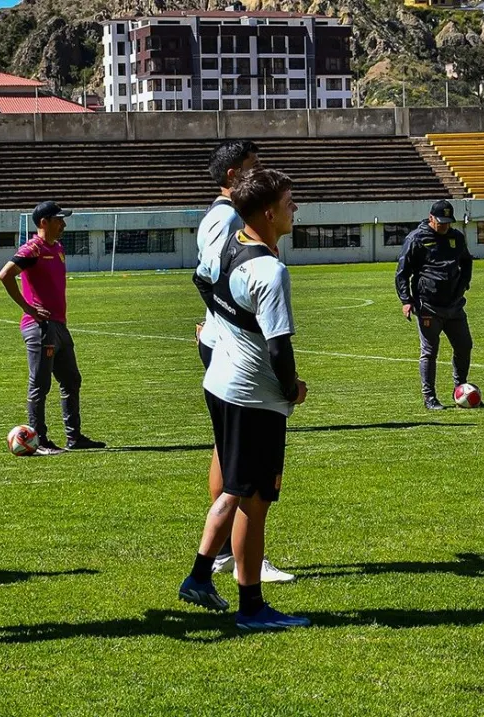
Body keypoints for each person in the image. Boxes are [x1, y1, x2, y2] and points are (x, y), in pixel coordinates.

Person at [179, 167, 310, 632]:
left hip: (220, 382)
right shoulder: (270, 271)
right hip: (254, 396)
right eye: (291, 201)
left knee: (237, 489)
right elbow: (279, 347)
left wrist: (223, 323)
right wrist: (293, 388)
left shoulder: (226, 245)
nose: (297, 208)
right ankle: (251, 606)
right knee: (254, 501)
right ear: (270, 212)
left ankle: (200, 576)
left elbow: (202, 281)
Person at [192, 140, 295, 584]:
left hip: (228, 353)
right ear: (234, 177)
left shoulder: (236, 225)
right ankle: (234, 564)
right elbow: (208, 278)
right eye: (254, 167)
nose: (261, 172)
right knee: (246, 485)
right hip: (237, 359)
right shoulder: (230, 220)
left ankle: (213, 566)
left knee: (233, 466)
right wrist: (218, 319)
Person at [0, 201, 105, 455]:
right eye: (58, 220)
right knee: (40, 384)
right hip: (40, 327)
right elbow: (5, 274)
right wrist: (28, 308)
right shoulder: (32, 248)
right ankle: (39, 440)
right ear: (44, 222)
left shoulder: (57, 247)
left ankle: (74, 437)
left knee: (71, 380)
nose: (63, 224)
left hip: (59, 325)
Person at [395, 199, 474, 410]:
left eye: (448, 222)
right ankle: (429, 397)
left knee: (464, 345)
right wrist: (406, 300)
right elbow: (403, 272)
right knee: (429, 351)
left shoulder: (456, 238)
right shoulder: (416, 238)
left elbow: (466, 261)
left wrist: (464, 283)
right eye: (441, 222)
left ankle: (460, 389)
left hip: (455, 305)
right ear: (431, 218)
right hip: (428, 305)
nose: (445, 226)